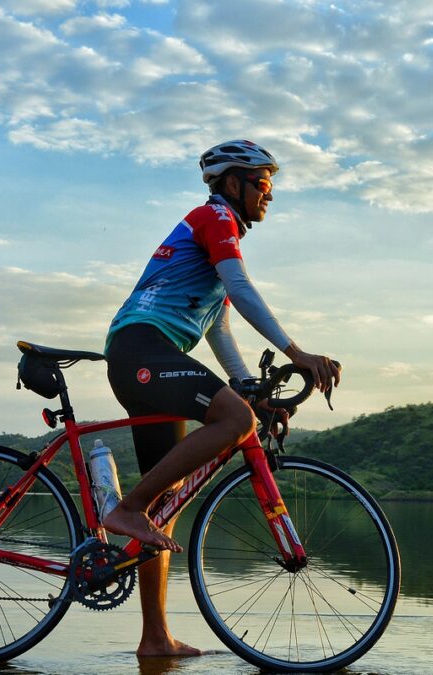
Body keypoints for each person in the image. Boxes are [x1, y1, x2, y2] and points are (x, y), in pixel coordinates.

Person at [101, 139, 341, 657]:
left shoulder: (211, 245)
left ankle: (155, 639)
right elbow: (243, 286)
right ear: (233, 184)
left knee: (165, 506)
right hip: (144, 348)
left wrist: (251, 393)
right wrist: (296, 352)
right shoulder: (215, 219)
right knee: (227, 423)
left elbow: (221, 331)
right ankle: (125, 509)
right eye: (263, 183)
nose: (269, 194)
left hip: (141, 354)